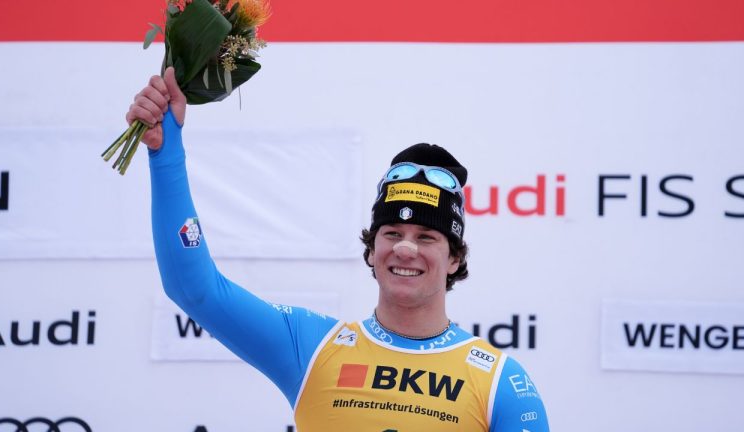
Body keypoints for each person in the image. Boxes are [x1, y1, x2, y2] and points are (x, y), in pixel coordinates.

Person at [129, 67, 550, 431]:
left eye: (426, 237)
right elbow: (193, 288)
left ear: (454, 258)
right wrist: (166, 152)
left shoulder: (500, 383)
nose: (406, 248)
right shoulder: (311, 346)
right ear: (371, 250)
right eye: (392, 233)